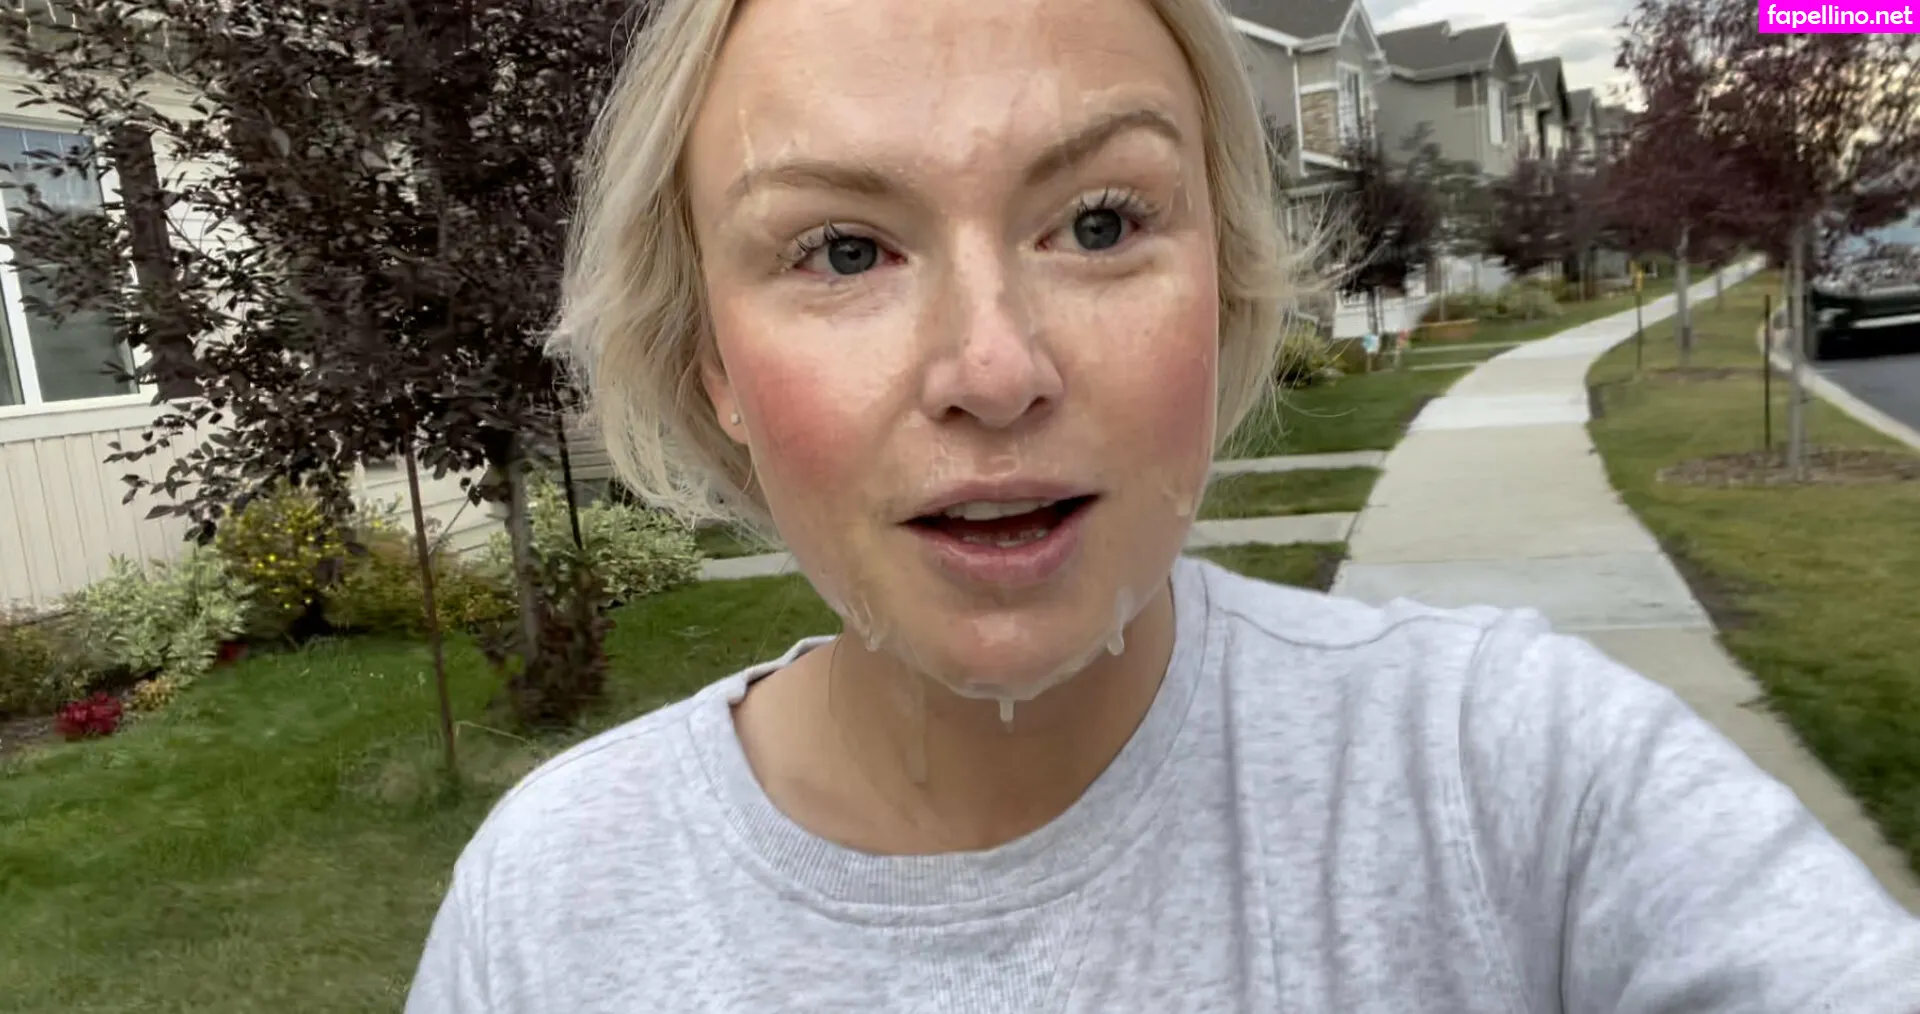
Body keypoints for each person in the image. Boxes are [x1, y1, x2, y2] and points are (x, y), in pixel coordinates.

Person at [405, 0, 1920, 1009]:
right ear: (711, 363)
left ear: (1228, 278)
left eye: (1100, 221)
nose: (995, 369)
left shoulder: (1515, 780)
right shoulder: (552, 911)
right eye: (845, 250)